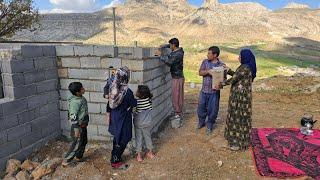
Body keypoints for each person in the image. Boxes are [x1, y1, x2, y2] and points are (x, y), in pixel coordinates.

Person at [222, 49, 257, 151]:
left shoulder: (244, 68)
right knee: (241, 117)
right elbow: (238, 76)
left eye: (240, 56)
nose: (238, 57)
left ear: (245, 57)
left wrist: (220, 84)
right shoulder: (247, 67)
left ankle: (237, 143)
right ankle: (241, 140)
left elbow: (234, 79)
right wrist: (229, 70)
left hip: (240, 99)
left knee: (237, 117)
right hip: (243, 97)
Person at [108, 66, 137, 170]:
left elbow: (109, 104)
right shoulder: (127, 92)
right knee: (123, 139)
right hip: (123, 118)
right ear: (126, 77)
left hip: (114, 116)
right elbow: (133, 103)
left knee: (117, 137)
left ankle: (114, 155)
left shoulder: (113, 88)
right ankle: (115, 161)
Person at [197, 46, 227, 135]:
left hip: (214, 92)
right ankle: (201, 122)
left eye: (209, 53)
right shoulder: (205, 62)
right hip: (204, 90)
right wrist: (208, 71)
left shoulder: (221, 65)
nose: (207, 55)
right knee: (201, 108)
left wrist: (221, 83)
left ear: (215, 55)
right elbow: (200, 72)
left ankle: (210, 125)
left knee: (213, 110)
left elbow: (225, 79)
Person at [156, 38, 185, 125]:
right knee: (177, 95)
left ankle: (178, 114)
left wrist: (160, 55)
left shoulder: (178, 54)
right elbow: (169, 45)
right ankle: (178, 112)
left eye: (171, 45)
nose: (170, 47)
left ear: (174, 45)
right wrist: (162, 46)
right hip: (177, 77)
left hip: (177, 78)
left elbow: (169, 62)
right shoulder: (177, 49)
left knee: (177, 96)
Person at [63, 82, 89, 166]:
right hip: (78, 127)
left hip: (83, 125)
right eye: (82, 89)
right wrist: (76, 129)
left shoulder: (80, 97)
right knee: (75, 143)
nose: (83, 89)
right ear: (77, 92)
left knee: (83, 141)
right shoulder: (75, 103)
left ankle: (78, 157)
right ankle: (67, 160)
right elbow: (73, 117)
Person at [133, 85, 156, 162]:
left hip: (138, 124)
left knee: (138, 138)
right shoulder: (149, 101)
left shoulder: (137, 102)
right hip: (147, 123)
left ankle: (139, 156)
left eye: (137, 91)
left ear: (140, 94)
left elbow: (134, 111)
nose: (136, 92)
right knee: (147, 137)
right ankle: (150, 153)